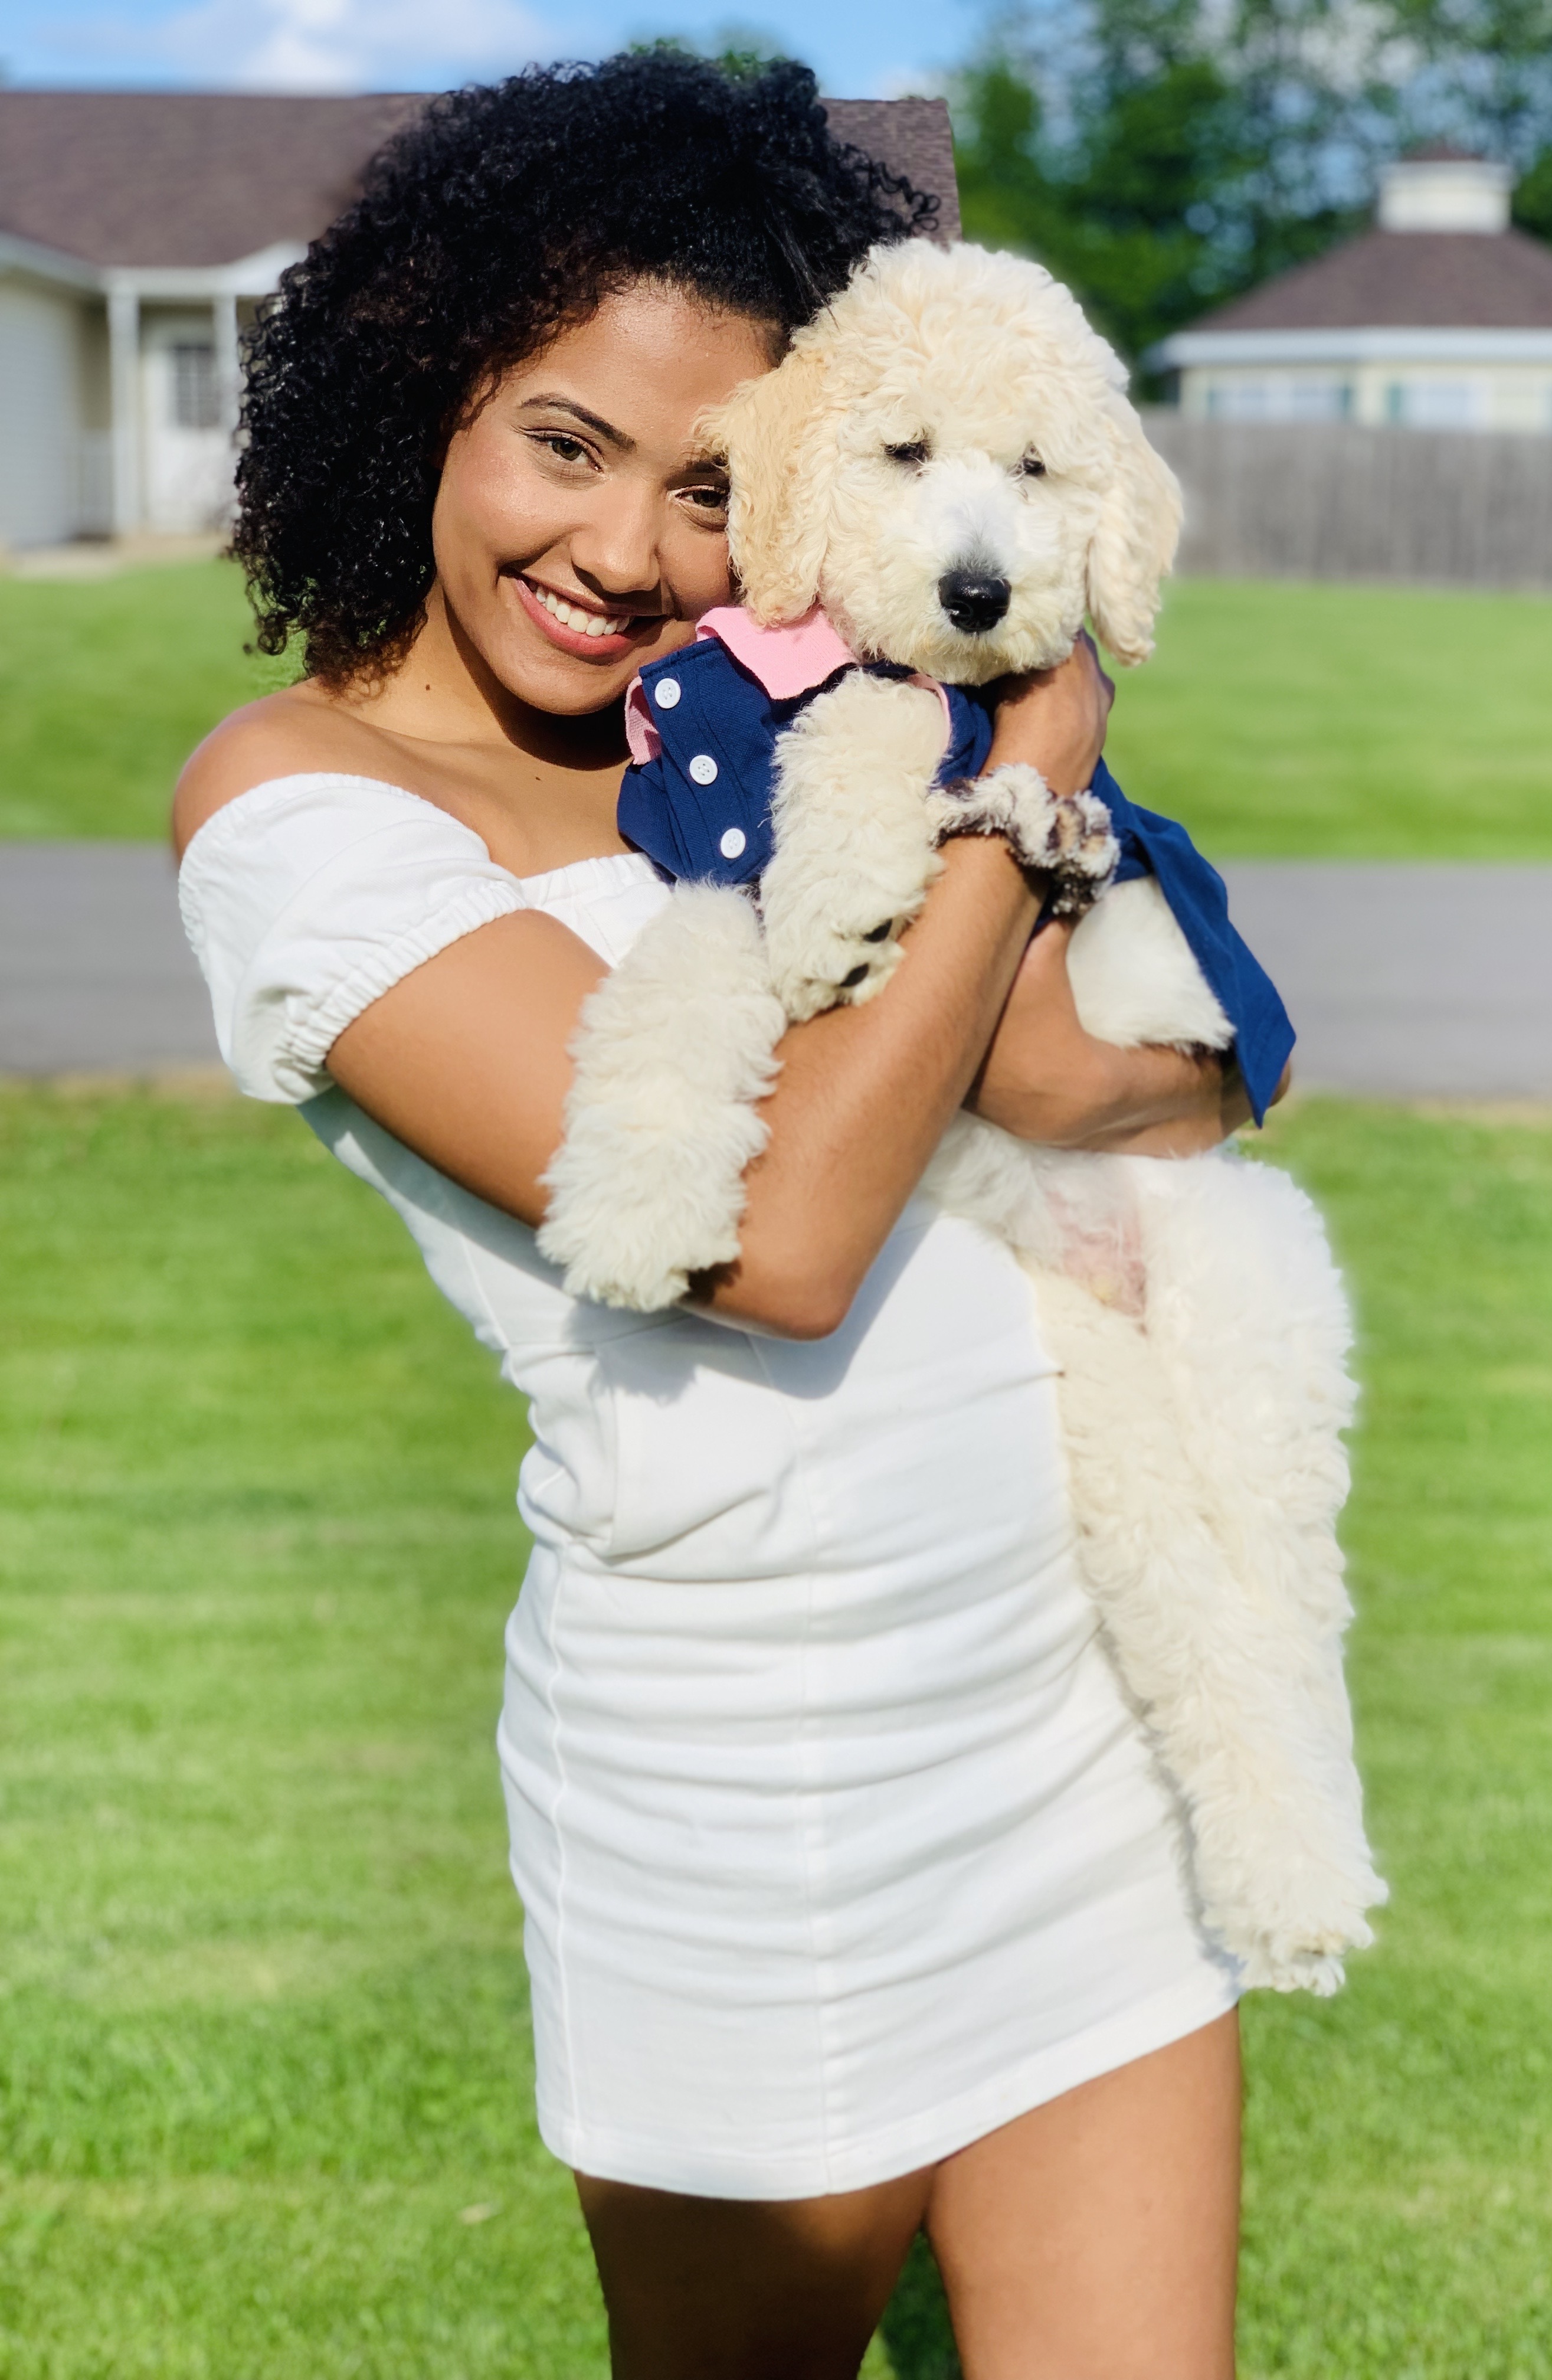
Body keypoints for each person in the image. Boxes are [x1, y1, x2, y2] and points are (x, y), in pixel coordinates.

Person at [175, 54, 1260, 2380]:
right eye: (562, 442)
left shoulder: (755, 728)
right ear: (417, 394)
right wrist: (1019, 799)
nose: (629, 553)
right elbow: (767, 1249)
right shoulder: (299, 810)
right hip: (752, 1798)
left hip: (1064, 1729)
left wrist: (1169, 1001)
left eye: (705, 485)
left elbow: (1139, 1096)